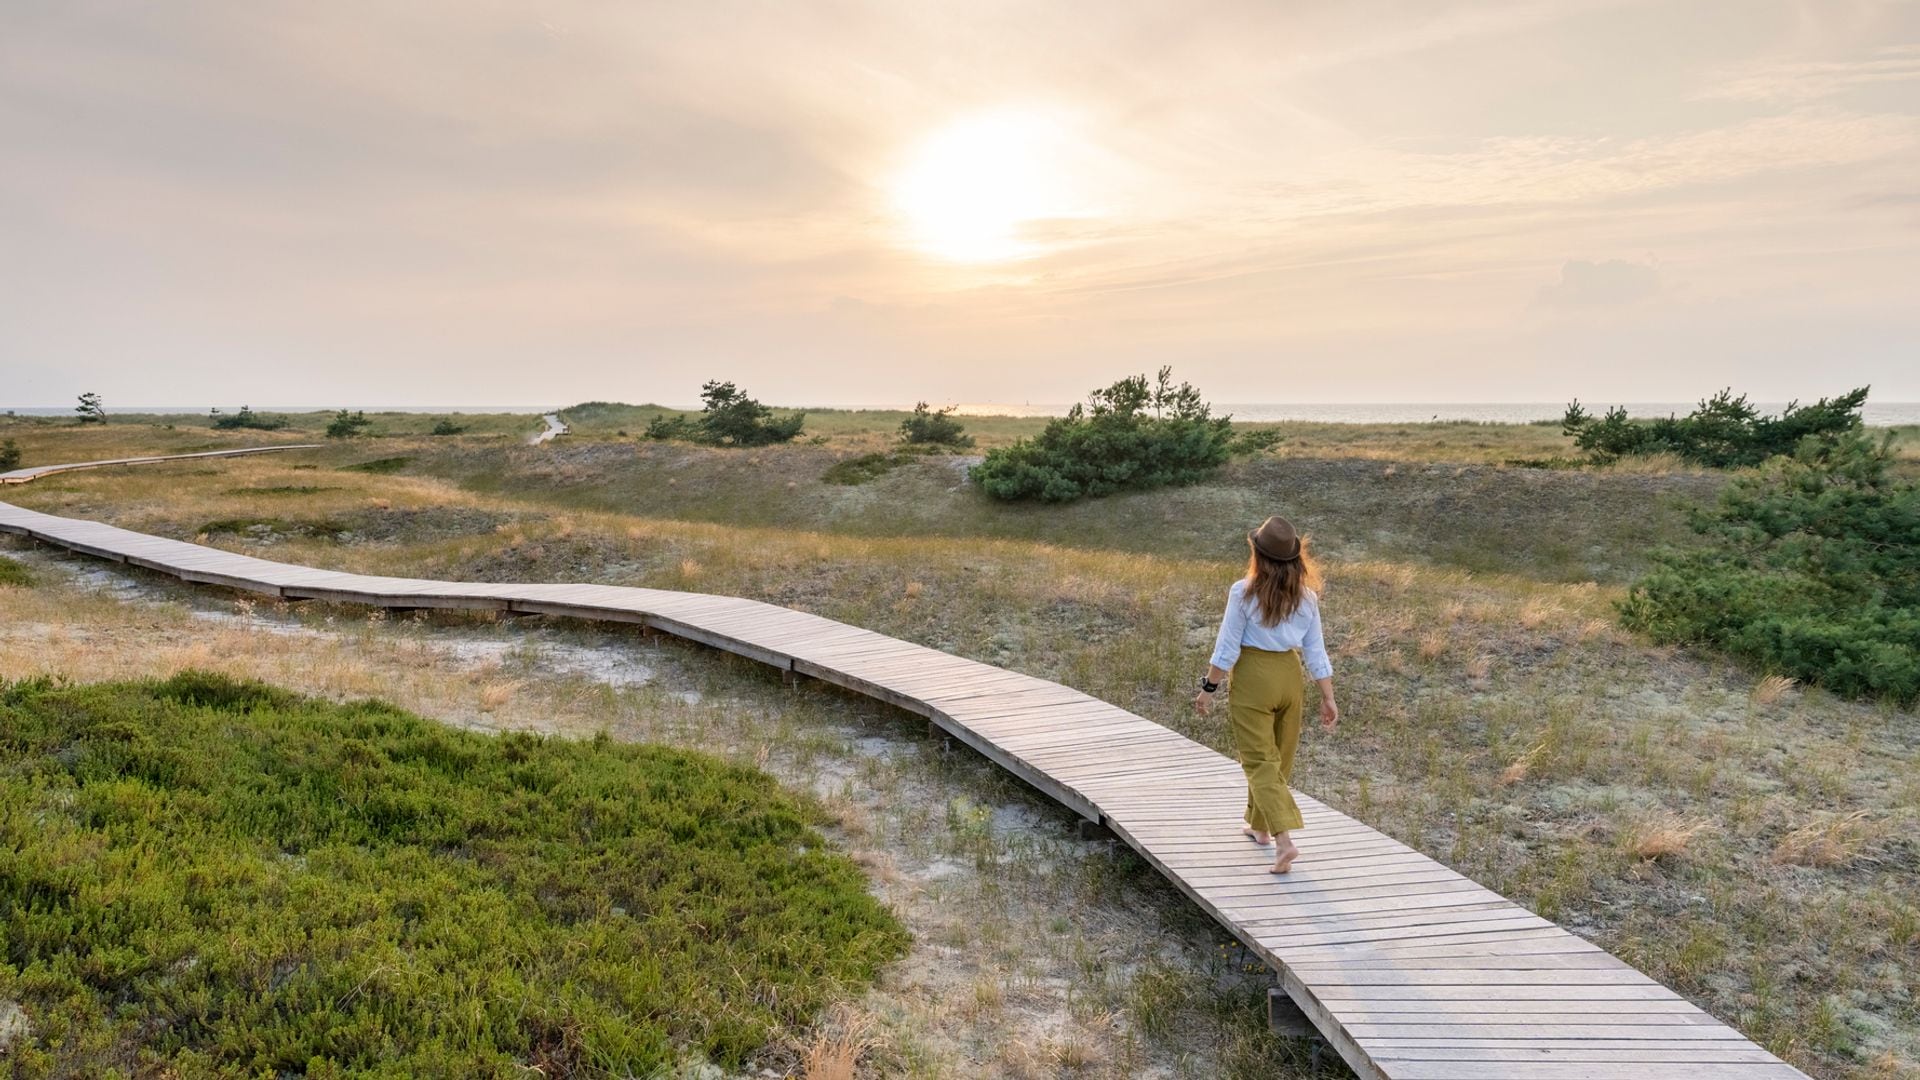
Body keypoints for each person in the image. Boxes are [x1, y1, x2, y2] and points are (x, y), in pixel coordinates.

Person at [1193, 516, 1338, 874]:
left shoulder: (1242, 592)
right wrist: (1328, 697)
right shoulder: (1307, 598)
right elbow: (1316, 652)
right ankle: (1259, 827)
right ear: (1294, 558)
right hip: (1290, 677)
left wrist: (1208, 688)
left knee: (1259, 761)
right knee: (1279, 759)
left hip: (1254, 678)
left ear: (1257, 554)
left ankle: (1284, 841)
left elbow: (1226, 648)